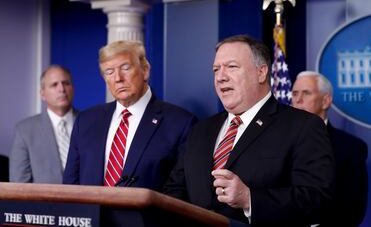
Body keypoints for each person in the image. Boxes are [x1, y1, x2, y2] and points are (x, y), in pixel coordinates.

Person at [164, 35, 335, 227]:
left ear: (261, 73)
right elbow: (174, 191)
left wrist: (249, 199)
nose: (221, 77)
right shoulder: (200, 130)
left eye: (232, 67)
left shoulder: (303, 126)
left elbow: (317, 199)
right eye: (216, 69)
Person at [63, 40, 196, 191]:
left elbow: (178, 191)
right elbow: (70, 185)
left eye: (125, 68)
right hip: (91, 214)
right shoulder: (86, 121)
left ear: (145, 70)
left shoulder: (180, 123)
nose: (118, 78)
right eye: (109, 72)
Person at [292, 70, 368, 227]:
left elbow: (352, 211)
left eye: (306, 93)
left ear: (325, 101)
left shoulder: (351, 149)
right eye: (294, 93)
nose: (298, 100)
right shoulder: (276, 142)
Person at [10, 65, 77, 184]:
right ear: (42, 94)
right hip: (44, 202)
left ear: (73, 88)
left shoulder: (91, 124)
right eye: (54, 85)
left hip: (88, 200)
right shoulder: (24, 130)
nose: (61, 89)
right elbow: (19, 185)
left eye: (66, 83)